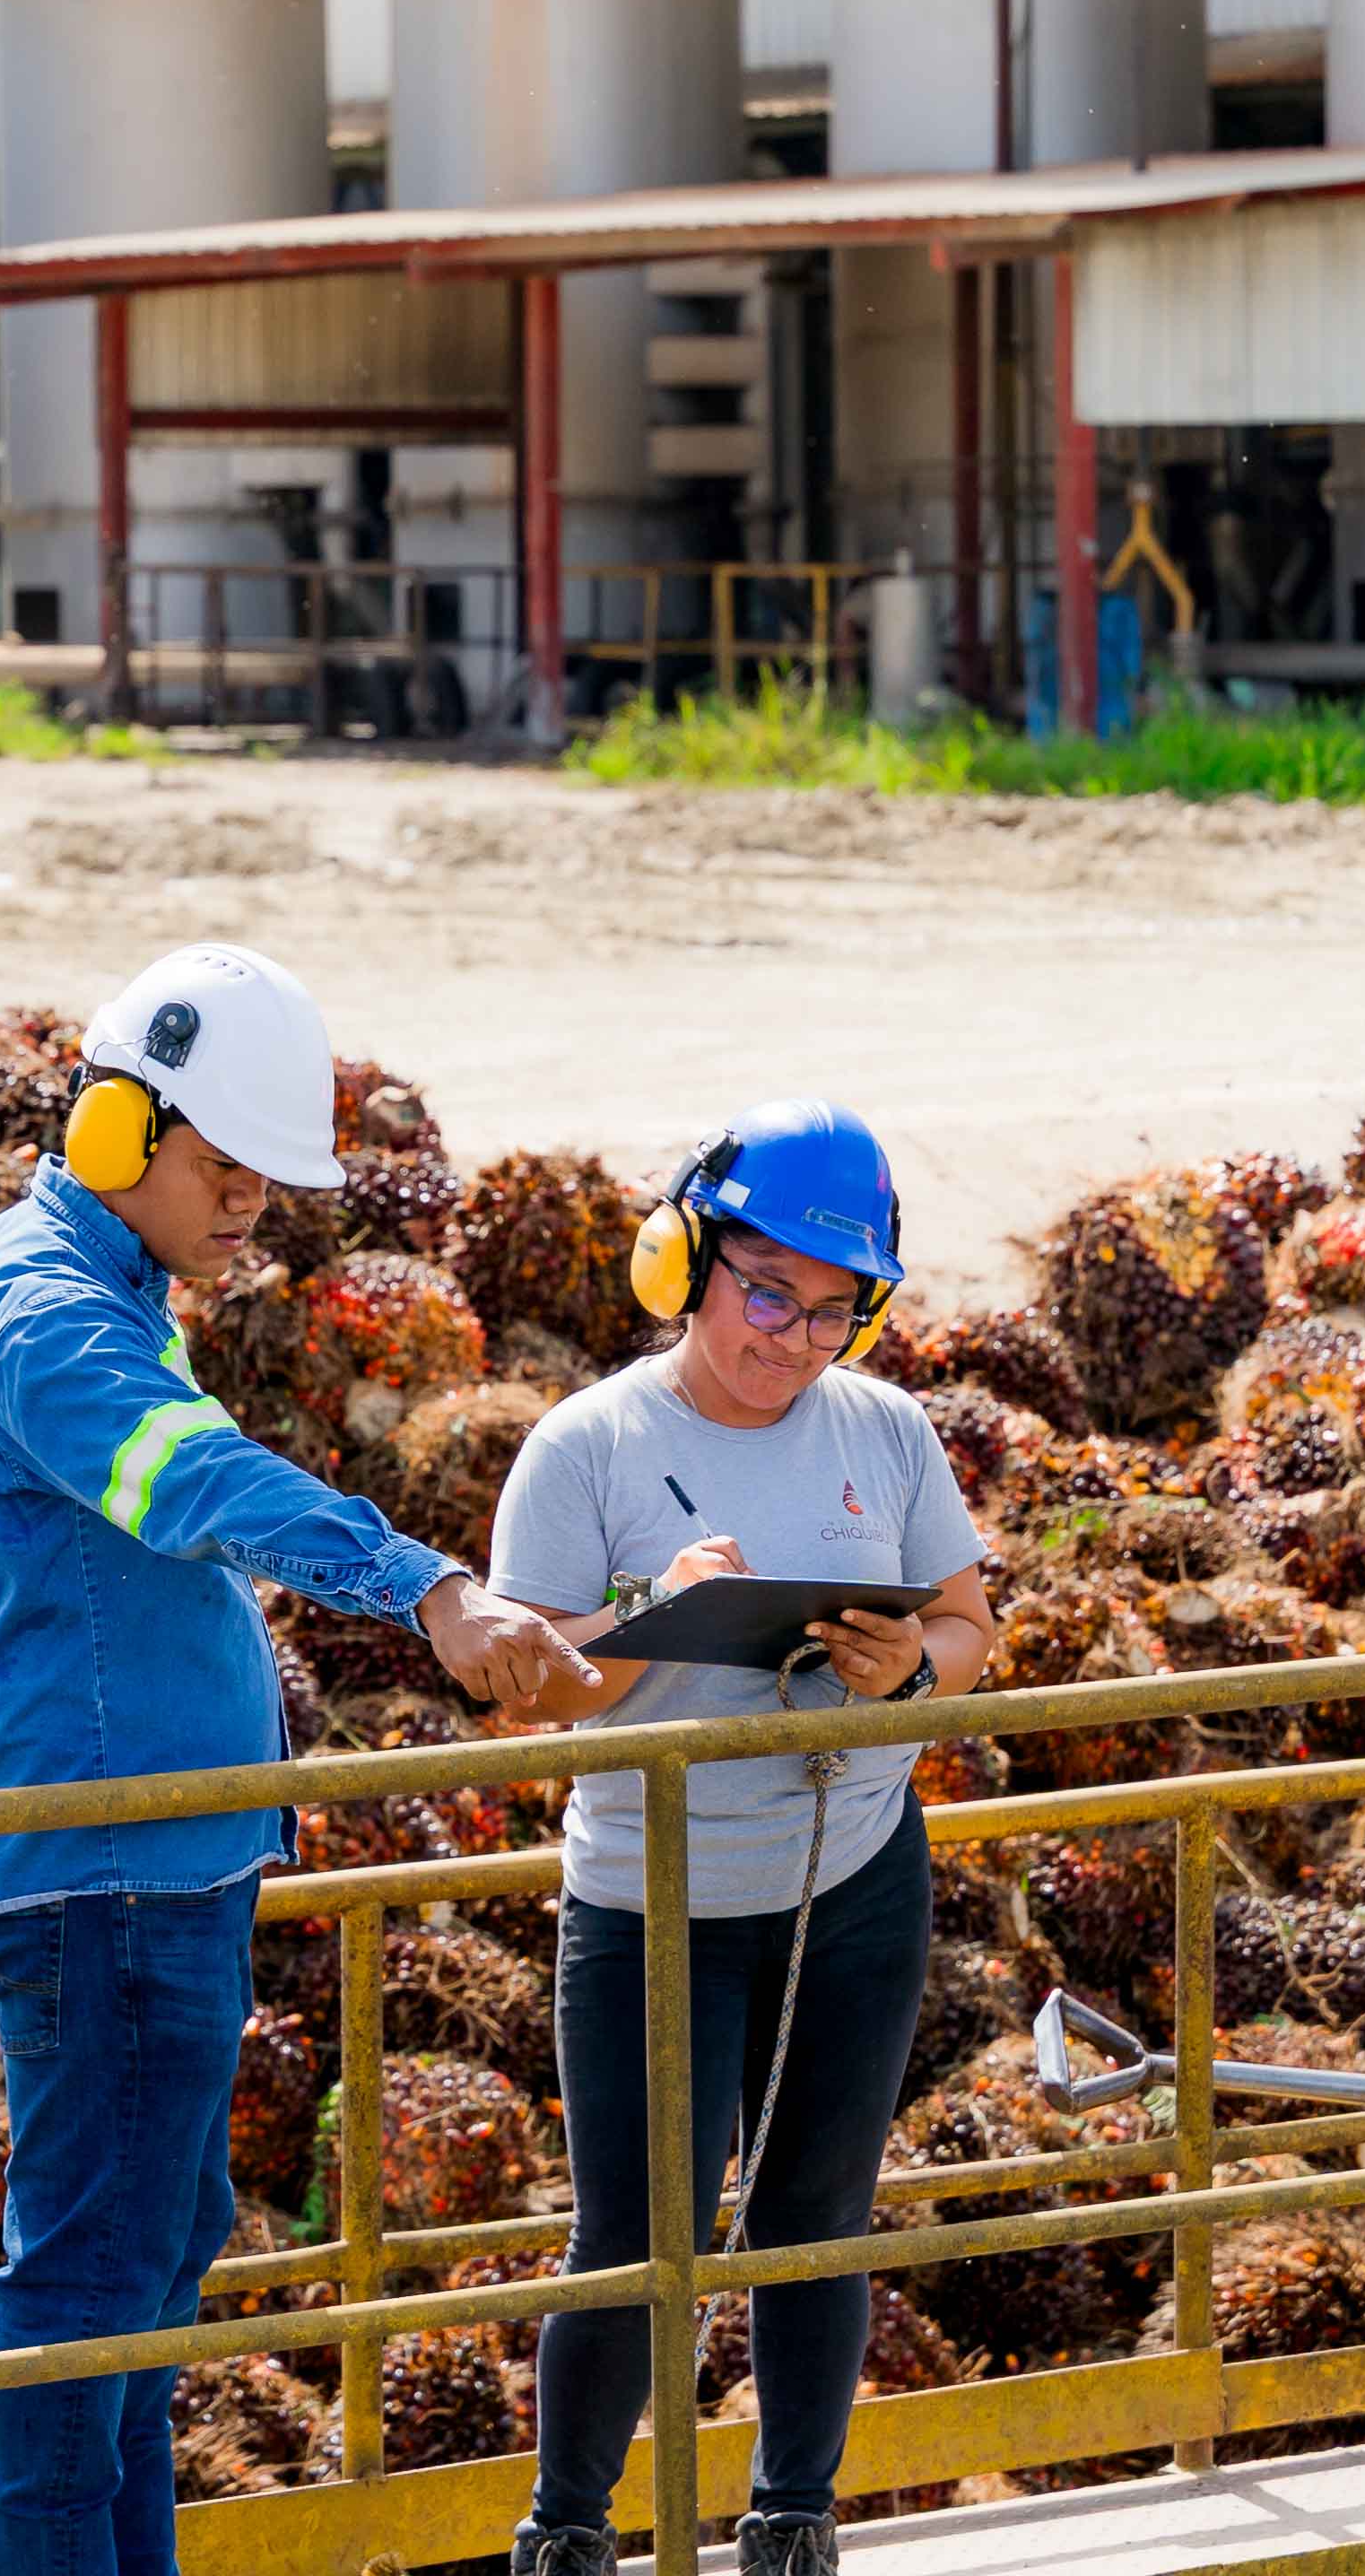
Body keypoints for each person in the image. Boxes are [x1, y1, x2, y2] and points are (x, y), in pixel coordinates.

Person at [0, 940, 597, 2576]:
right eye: (226, 1171)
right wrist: (424, 1585)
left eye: (266, 1187)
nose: (248, 1214)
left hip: (169, 1860)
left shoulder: (110, 1294)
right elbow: (200, 1486)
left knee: (145, 2274)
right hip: (100, 1867)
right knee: (89, 2289)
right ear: (110, 1136)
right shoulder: (41, 1315)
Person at [477, 1101, 1001, 2576]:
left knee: (819, 2212)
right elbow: (534, 1682)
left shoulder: (886, 1431)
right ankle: (567, 2535)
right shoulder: (585, 1447)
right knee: (638, 2239)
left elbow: (967, 1619)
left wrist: (918, 1669)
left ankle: (793, 2522)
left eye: (835, 1312)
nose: (793, 1337)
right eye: (768, 1292)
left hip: (852, 1876)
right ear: (686, 1261)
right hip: (652, 1896)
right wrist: (655, 1612)